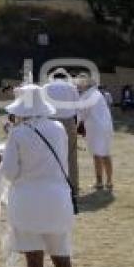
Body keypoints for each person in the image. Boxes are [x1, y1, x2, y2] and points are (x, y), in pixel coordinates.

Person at [0, 84, 92, 267]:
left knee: (34, 260)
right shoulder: (58, 127)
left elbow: (9, 172)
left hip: (27, 201)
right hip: (56, 200)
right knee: (63, 259)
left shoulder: (18, 133)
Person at [43, 68, 81, 200]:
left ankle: (51, 186)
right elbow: (77, 106)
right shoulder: (71, 87)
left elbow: (43, 106)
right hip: (68, 121)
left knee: (50, 154)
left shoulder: (46, 87)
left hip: (51, 122)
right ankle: (73, 188)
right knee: (71, 156)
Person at [76, 75, 114, 191]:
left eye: (80, 83)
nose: (78, 85)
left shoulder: (87, 96)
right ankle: (106, 181)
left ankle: (101, 182)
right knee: (103, 153)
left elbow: (79, 115)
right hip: (105, 127)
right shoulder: (96, 94)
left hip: (96, 128)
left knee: (99, 154)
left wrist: (73, 128)